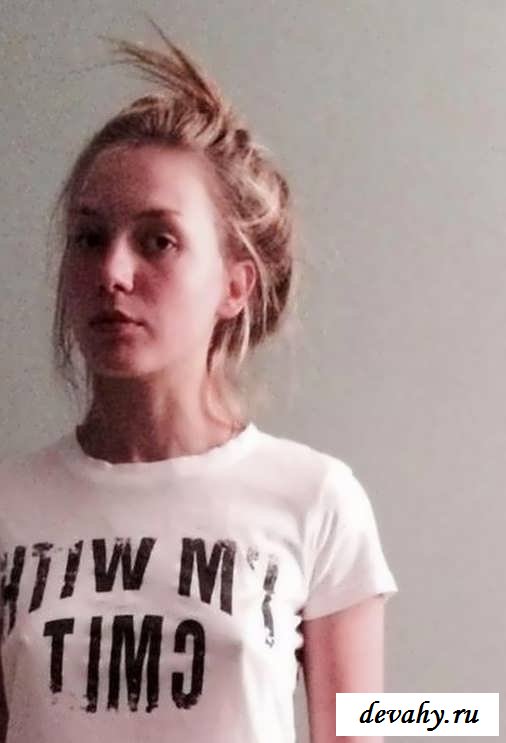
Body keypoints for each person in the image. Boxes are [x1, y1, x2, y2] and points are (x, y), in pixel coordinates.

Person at [0, 19, 398, 743]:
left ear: (235, 286)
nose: (112, 272)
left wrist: (476, 713)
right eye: (89, 237)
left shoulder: (315, 500)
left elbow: (363, 727)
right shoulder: (9, 507)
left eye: (158, 240)